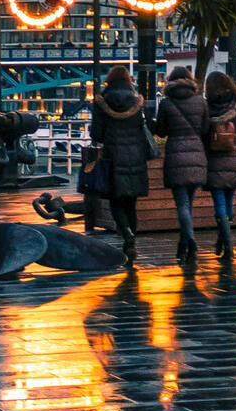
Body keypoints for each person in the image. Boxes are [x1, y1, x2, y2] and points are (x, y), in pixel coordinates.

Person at [88, 67, 152, 268]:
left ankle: (126, 232)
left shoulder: (101, 102)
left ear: (109, 80)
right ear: (128, 81)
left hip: (113, 156)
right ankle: (129, 243)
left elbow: (97, 134)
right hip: (135, 157)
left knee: (116, 202)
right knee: (130, 203)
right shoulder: (137, 101)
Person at [151, 67, 210, 263]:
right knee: (188, 204)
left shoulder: (167, 104)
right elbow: (205, 129)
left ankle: (190, 242)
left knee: (182, 205)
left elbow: (161, 131)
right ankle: (184, 245)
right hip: (197, 155)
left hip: (176, 155)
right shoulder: (201, 102)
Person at [202, 71, 236, 259]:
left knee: (219, 198)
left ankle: (226, 243)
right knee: (229, 196)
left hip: (213, 158)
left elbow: (203, 132)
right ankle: (224, 239)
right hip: (234, 156)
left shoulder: (206, 108)